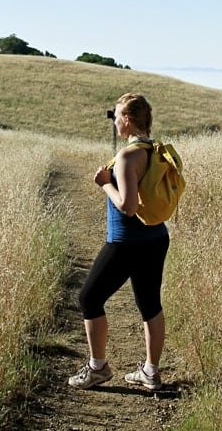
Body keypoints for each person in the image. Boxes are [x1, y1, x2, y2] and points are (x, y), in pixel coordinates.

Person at [68, 92, 170, 391]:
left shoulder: (128, 156)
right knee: (149, 304)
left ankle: (97, 367)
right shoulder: (152, 149)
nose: (114, 122)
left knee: (89, 298)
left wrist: (105, 184)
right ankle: (150, 372)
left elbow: (128, 206)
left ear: (127, 119)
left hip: (126, 240)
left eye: (116, 116)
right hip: (155, 237)